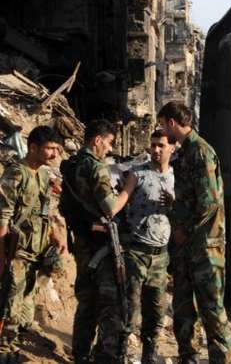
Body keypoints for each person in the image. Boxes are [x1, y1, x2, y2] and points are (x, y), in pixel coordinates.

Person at [157, 101, 231, 364]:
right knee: (183, 311)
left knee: (211, 311)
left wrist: (184, 231)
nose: (160, 130)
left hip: (204, 247)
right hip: (186, 248)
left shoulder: (201, 152)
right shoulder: (184, 153)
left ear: (171, 122)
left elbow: (209, 202)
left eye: (161, 124)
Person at [60, 119, 130, 364]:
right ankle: (107, 355)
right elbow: (110, 208)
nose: (110, 150)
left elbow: (64, 207)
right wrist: (128, 189)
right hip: (101, 244)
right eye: (109, 143)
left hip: (81, 243)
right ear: (97, 140)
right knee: (110, 301)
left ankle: (80, 353)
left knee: (86, 300)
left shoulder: (69, 165)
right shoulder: (96, 167)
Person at [0, 126, 67, 362]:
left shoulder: (44, 175)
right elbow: (3, 215)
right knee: (10, 305)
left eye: (56, 149)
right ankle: (4, 351)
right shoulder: (16, 173)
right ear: (34, 148)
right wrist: (2, 255)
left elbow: (43, 212)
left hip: (35, 252)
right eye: (49, 148)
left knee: (25, 306)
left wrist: (54, 235)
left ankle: (12, 346)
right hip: (16, 251)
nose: (54, 154)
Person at [116, 130, 176, 364]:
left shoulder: (176, 177)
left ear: (172, 148)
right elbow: (122, 198)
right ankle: (120, 354)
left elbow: (186, 210)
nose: (156, 150)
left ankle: (148, 356)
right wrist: (108, 211)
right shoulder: (138, 174)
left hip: (160, 256)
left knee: (156, 311)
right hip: (136, 251)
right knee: (129, 307)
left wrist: (175, 204)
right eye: (153, 145)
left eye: (161, 145)